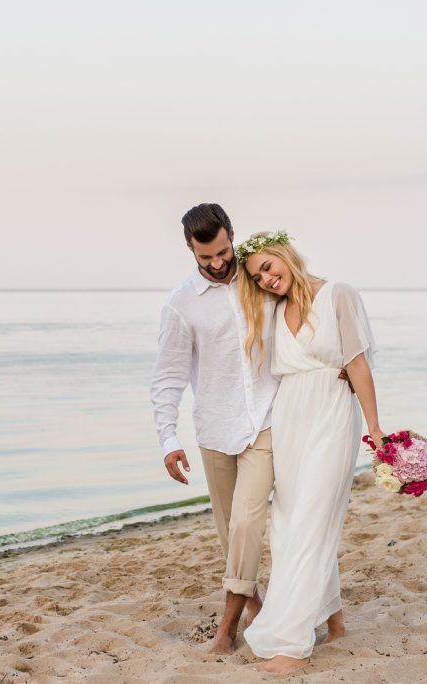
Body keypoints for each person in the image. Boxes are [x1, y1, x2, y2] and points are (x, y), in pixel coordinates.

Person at [236, 231, 384, 674]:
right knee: (290, 524)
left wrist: (375, 428)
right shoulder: (275, 310)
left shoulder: (338, 294)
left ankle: (293, 645)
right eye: (257, 277)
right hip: (291, 422)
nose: (266, 279)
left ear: (285, 255)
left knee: (311, 522)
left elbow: (357, 362)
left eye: (268, 267)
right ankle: (334, 622)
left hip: (332, 417)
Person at [150, 203, 279, 654]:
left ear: (231, 236)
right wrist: (169, 439)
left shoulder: (261, 277)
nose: (219, 263)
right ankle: (254, 603)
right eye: (206, 258)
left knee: (247, 521)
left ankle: (226, 630)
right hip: (214, 427)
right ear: (190, 249)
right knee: (229, 532)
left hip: (266, 419)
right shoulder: (180, 305)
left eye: (223, 251)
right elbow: (167, 377)